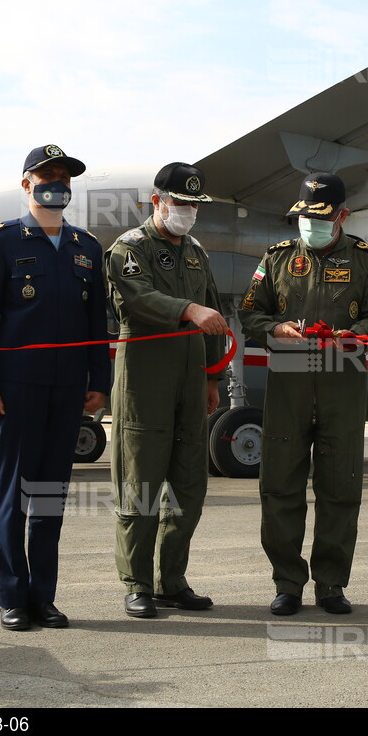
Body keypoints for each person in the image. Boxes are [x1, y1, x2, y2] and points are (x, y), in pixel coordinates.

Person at [238, 173, 368, 615]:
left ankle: (330, 584)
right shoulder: (277, 258)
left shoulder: (367, 260)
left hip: (341, 384)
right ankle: (287, 583)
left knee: (339, 489)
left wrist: (356, 335)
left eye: (321, 217)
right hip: (288, 384)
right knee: (280, 488)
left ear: (342, 215)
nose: (311, 224)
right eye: (305, 216)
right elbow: (250, 312)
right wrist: (276, 328)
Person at [0, 144, 111, 631]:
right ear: (26, 185)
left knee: (50, 496)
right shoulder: (3, 240)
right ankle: (12, 598)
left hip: (68, 389)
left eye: (65, 179)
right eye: (46, 177)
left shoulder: (87, 247)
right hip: (17, 387)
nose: (57, 185)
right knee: (14, 497)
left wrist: (99, 382)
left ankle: (42, 597)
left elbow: (96, 323)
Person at [105, 163, 229, 619]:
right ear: (156, 202)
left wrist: (213, 376)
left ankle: (171, 581)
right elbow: (135, 300)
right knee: (140, 486)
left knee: (189, 486)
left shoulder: (197, 252)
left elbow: (213, 315)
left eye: (194, 205)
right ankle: (137, 583)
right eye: (180, 203)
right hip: (144, 384)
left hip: (191, 384)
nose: (188, 212)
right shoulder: (129, 249)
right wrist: (188, 309)